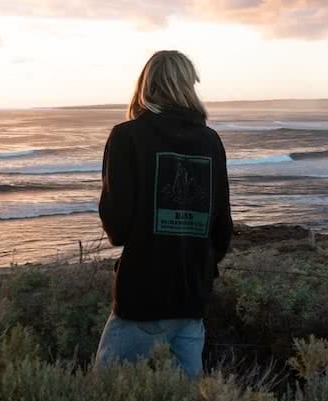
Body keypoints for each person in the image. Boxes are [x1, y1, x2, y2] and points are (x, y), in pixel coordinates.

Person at [95, 50, 232, 377]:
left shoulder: (127, 137)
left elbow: (118, 227)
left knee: (107, 400)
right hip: (192, 297)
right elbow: (222, 227)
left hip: (142, 296)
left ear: (146, 85)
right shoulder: (211, 141)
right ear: (189, 86)